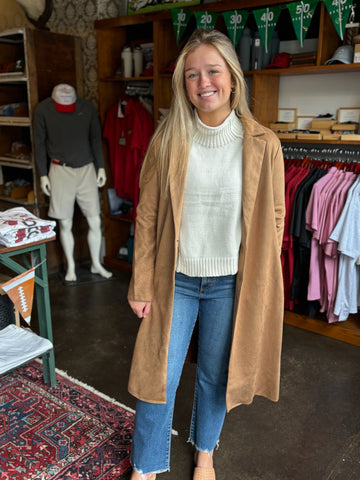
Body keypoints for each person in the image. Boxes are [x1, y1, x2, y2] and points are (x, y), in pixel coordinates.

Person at [127, 29, 285, 480]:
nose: (203, 83)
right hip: (171, 279)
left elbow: (276, 215)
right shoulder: (167, 141)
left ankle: (205, 453)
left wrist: (259, 277)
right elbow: (148, 217)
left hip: (230, 283)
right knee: (159, 375)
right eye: (192, 74)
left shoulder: (262, 143)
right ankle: (146, 464)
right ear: (183, 84)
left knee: (216, 375)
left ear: (232, 78)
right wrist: (140, 284)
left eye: (213, 71)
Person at [34, 84, 112, 282]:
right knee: (65, 222)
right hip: (60, 170)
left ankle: (96, 263)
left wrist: (100, 167)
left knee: (95, 219)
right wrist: (43, 174)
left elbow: (95, 138)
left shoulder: (86, 108)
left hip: (87, 169)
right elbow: (39, 144)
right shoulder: (43, 110)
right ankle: (71, 267)